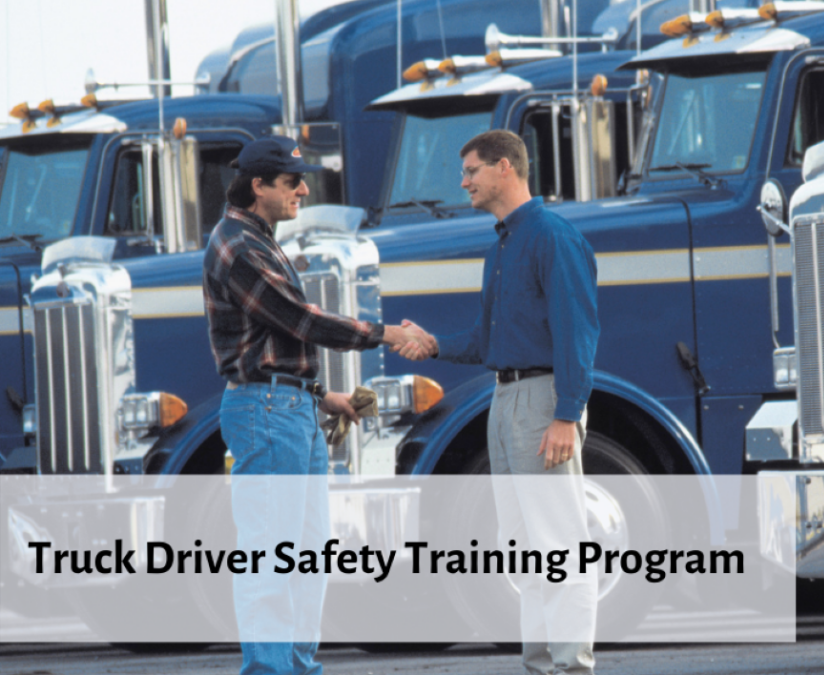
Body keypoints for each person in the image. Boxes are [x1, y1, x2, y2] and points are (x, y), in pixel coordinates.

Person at [202, 135, 434, 675]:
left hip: (286, 410)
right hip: (266, 415)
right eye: (291, 182)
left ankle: (298, 667)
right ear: (258, 185)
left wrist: (318, 394)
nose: (304, 190)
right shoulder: (238, 245)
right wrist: (387, 333)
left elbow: (269, 341)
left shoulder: (255, 235)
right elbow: (299, 319)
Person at [399, 130, 600, 675]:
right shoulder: (503, 245)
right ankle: (540, 666)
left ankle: (573, 667)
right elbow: (490, 342)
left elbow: (577, 333)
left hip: (541, 400)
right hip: (505, 397)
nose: (463, 182)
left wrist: (565, 414)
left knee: (558, 542)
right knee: (527, 549)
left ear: (505, 167)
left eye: (471, 171)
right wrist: (434, 343)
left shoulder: (552, 238)